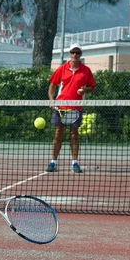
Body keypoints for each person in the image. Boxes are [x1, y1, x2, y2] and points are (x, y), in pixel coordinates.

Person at [46, 43, 96, 173]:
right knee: (58, 134)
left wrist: (85, 90)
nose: (75, 55)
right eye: (73, 52)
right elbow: (52, 85)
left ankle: (75, 162)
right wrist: (52, 101)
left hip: (76, 107)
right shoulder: (61, 69)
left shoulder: (86, 70)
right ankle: (53, 162)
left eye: (77, 53)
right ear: (69, 53)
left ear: (81, 55)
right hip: (60, 107)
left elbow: (91, 87)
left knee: (74, 135)